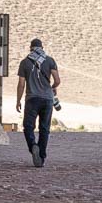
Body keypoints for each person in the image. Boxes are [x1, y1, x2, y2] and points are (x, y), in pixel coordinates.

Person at [16, 37, 61, 167]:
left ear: (30, 48)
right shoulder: (50, 60)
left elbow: (21, 84)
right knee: (44, 129)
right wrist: (52, 88)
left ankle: (33, 146)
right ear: (42, 48)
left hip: (32, 99)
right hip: (47, 99)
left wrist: (18, 100)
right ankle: (41, 157)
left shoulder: (25, 62)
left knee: (28, 127)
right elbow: (57, 80)